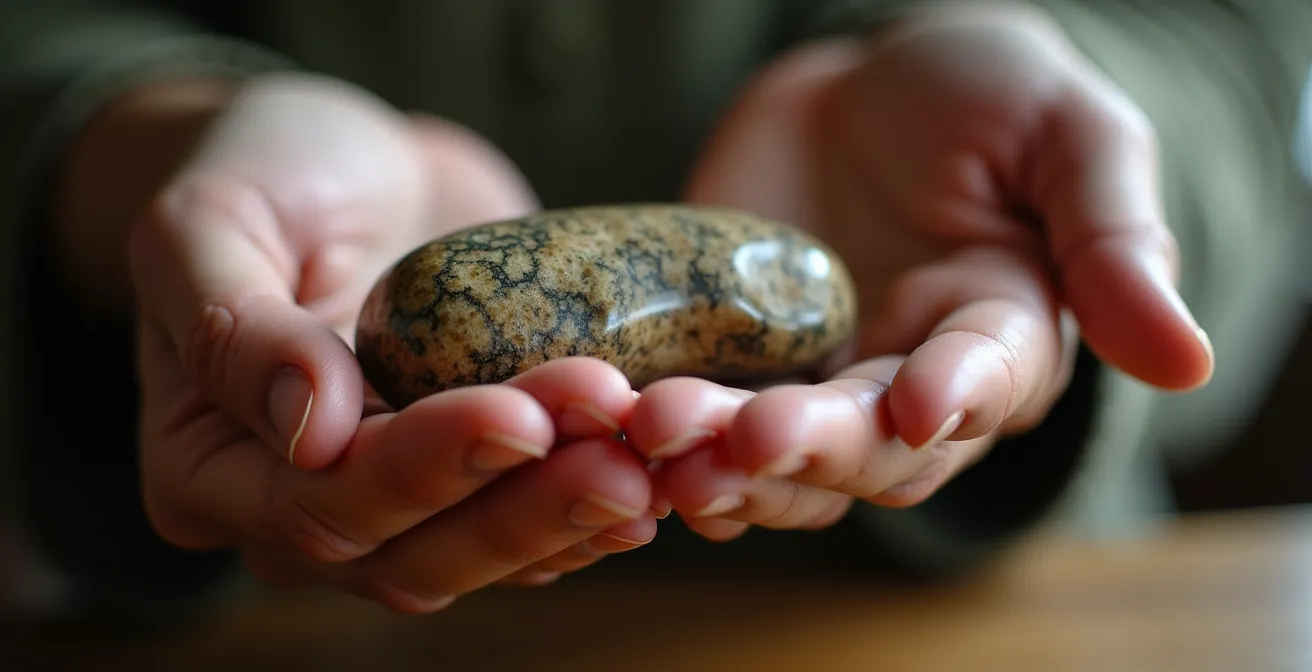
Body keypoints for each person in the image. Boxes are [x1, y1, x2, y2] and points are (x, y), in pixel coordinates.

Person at [0, 0, 1307, 621]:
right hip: (250, 642)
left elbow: (1242, 49)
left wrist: (1070, 161)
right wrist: (128, 155)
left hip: (1010, 627)